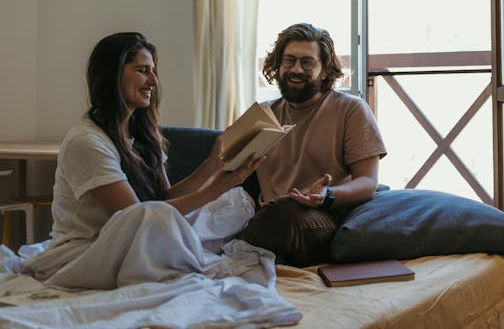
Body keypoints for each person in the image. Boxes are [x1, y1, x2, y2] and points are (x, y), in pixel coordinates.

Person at [23, 32, 264, 289]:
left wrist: (214, 166)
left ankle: (187, 248)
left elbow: (164, 199)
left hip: (137, 238)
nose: (153, 81)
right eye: (142, 70)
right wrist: (217, 187)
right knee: (185, 215)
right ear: (112, 76)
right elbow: (139, 217)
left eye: (153, 71)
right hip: (90, 249)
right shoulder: (86, 141)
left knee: (234, 201)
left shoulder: (144, 136)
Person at [240, 23, 387, 267]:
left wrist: (327, 195)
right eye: (289, 61)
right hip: (266, 218)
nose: (296, 69)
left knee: (286, 216)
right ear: (278, 65)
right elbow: (230, 171)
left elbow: (368, 183)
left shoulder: (350, 109)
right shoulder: (264, 114)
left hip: (322, 214)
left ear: (325, 71)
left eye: (307, 62)